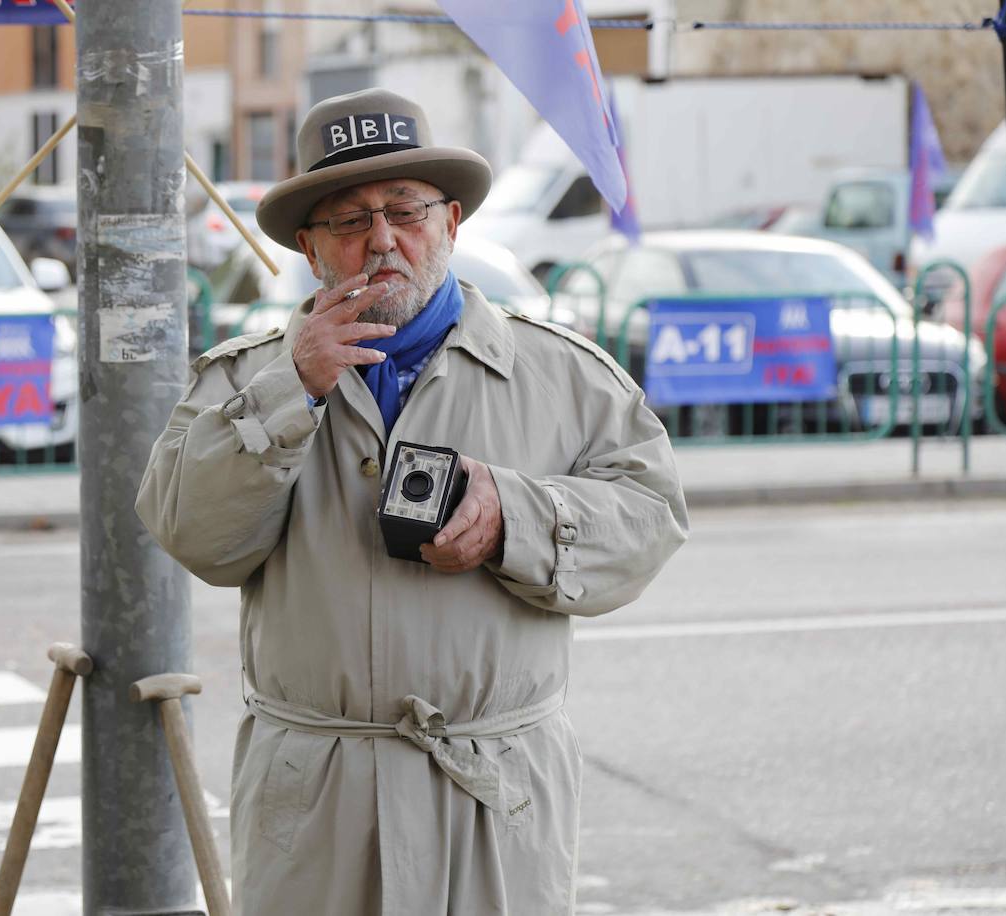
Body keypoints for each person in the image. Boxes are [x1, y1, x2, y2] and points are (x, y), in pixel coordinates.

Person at [137, 88, 688, 914]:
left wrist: (515, 515)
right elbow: (195, 536)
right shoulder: (240, 381)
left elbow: (651, 517)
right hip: (315, 803)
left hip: (494, 801)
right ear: (311, 247)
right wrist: (291, 388)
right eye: (350, 221)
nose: (383, 240)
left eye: (406, 210)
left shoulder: (561, 374)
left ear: (452, 221)